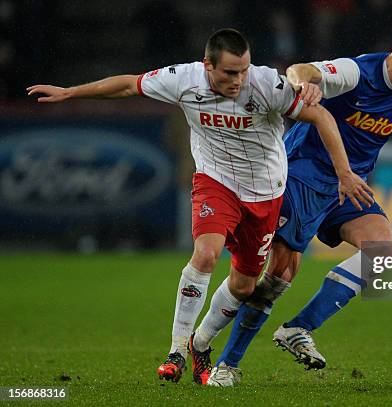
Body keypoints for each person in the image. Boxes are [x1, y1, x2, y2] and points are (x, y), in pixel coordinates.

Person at [27, 28, 373, 386]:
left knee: (244, 286)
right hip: (215, 182)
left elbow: (322, 117)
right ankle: (176, 349)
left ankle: (201, 343)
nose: (239, 80)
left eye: (243, 70)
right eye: (229, 73)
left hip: (265, 193)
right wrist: (71, 92)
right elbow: (129, 84)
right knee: (206, 255)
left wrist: (343, 172)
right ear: (208, 65)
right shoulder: (183, 79)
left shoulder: (268, 84)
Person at [212, 16, 392, 386]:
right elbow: (299, 70)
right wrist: (303, 86)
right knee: (279, 275)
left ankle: (298, 329)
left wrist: (348, 173)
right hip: (304, 176)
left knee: (383, 251)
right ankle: (226, 364)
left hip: (348, 187)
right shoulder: (356, 73)